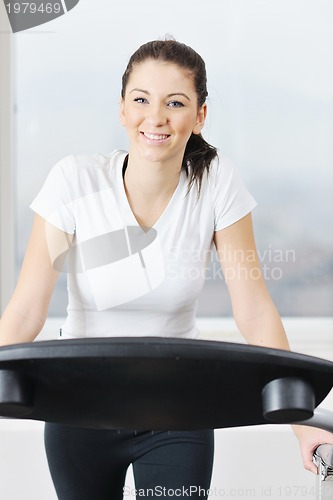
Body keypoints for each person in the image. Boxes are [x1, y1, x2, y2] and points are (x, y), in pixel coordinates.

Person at [0, 38, 332, 500]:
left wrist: (303, 425)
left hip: (179, 410)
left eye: (174, 103)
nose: (154, 117)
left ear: (199, 116)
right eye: (140, 100)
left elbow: (254, 311)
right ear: (121, 109)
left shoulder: (216, 182)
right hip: (80, 408)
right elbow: (24, 313)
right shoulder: (74, 180)